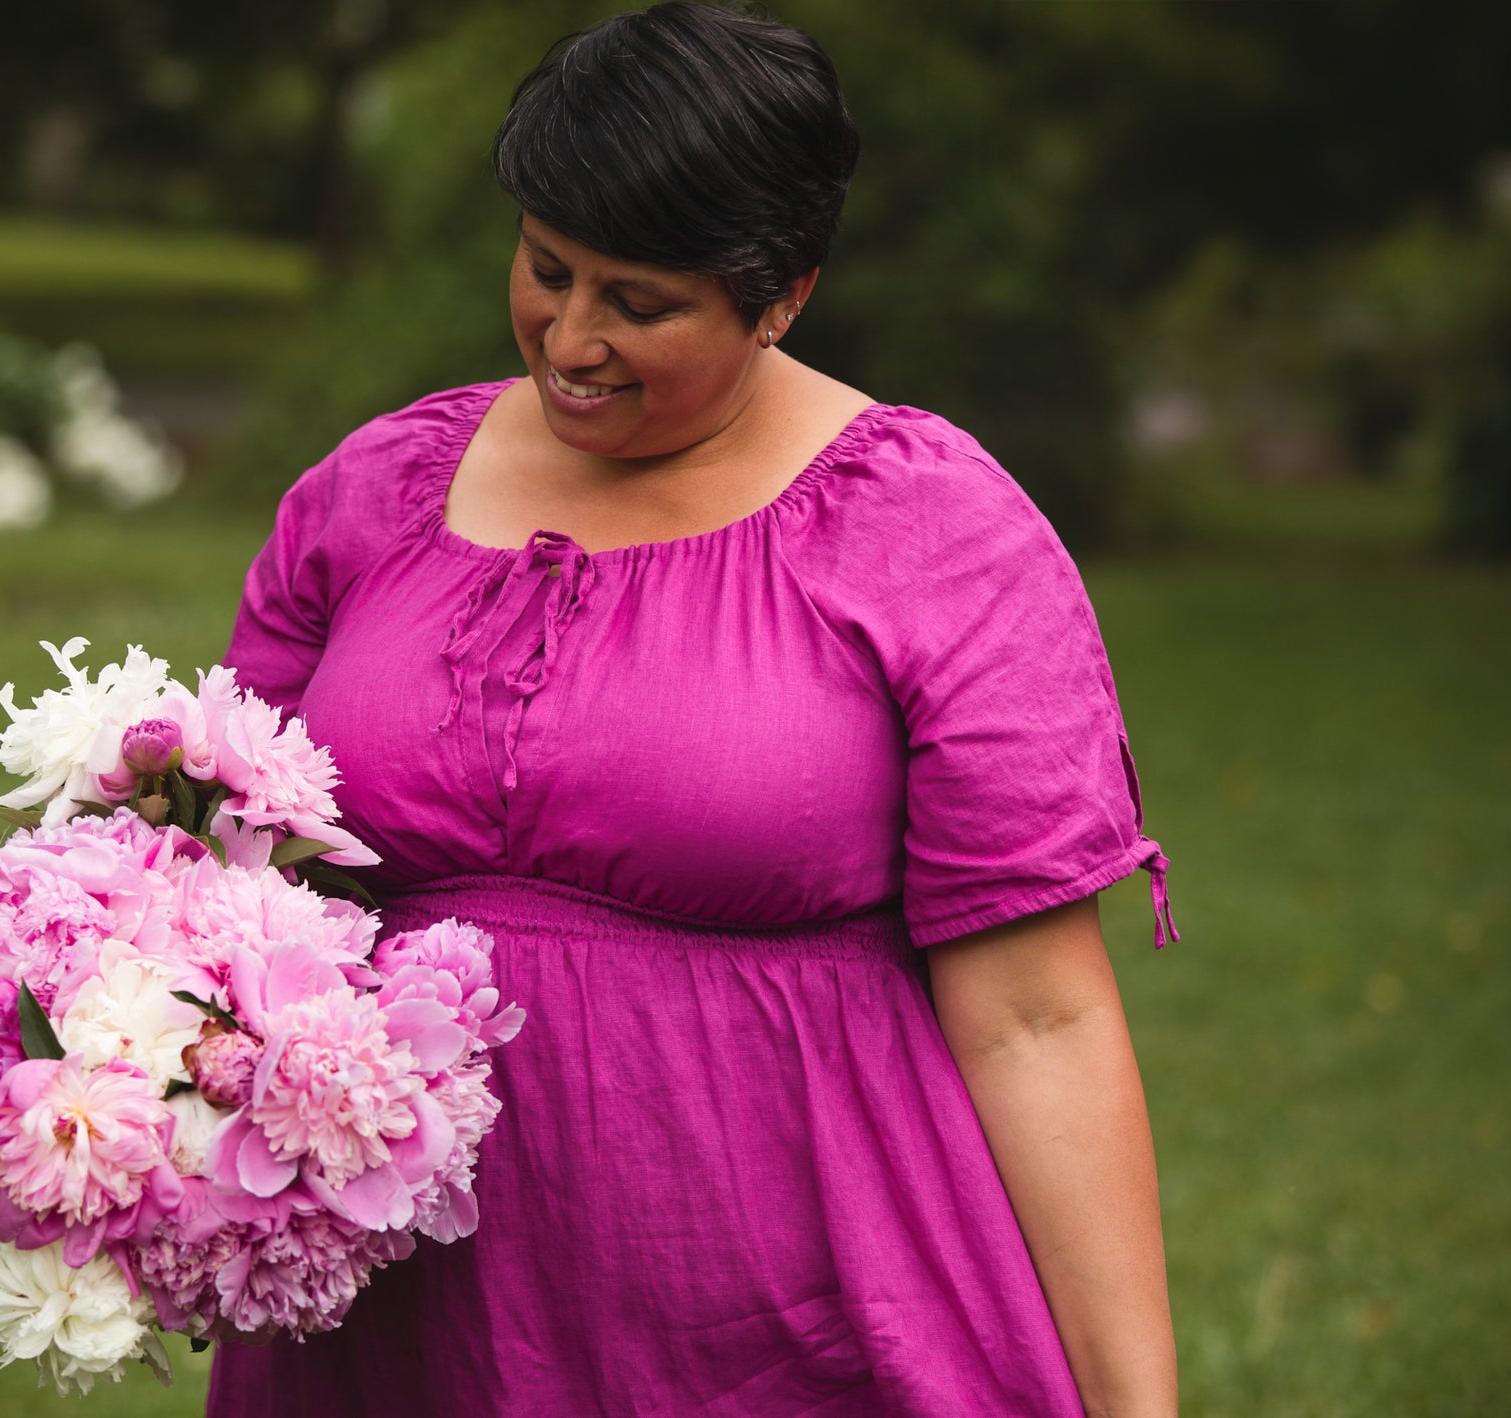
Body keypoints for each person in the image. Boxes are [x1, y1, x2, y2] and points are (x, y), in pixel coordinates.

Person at [211, 4, 1178, 1414]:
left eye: (641, 304)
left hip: (775, 1313)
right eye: (547, 270)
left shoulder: (927, 529)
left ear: (780, 294)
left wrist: (1134, 1403)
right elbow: (219, 890)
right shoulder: (377, 490)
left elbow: (1035, 1015)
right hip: (405, 1316)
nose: (572, 338)